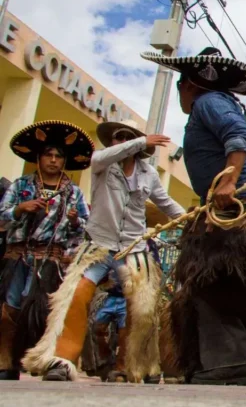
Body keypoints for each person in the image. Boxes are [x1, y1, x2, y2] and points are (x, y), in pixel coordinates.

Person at [142, 47, 246, 386]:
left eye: (180, 86)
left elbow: (237, 136)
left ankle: (228, 362)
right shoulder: (220, 104)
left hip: (239, 208)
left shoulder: (208, 102)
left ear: (188, 85)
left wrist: (228, 181)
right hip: (237, 207)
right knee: (220, 280)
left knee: (208, 276)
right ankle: (231, 361)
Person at [23, 120, 184, 382]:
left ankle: (134, 366)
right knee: (75, 294)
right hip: (97, 245)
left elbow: (165, 203)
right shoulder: (102, 164)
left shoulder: (148, 174)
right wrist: (141, 141)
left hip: (134, 248)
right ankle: (62, 361)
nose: (119, 141)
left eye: (126, 137)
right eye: (116, 137)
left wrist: (192, 218)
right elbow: (100, 156)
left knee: (144, 308)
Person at [0, 120, 91, 380]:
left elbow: (83, 231)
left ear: (64, 162)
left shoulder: (73, 193)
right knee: (9, 312)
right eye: (48, 155)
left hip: (52, 262)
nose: (53, 160)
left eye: (58, 156)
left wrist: (75, 221)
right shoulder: (20, 186)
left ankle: (41, 362)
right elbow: (1, 219)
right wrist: (19, 209)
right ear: (38, 158)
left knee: (46, 314)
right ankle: (6, 363)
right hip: (18, 257)